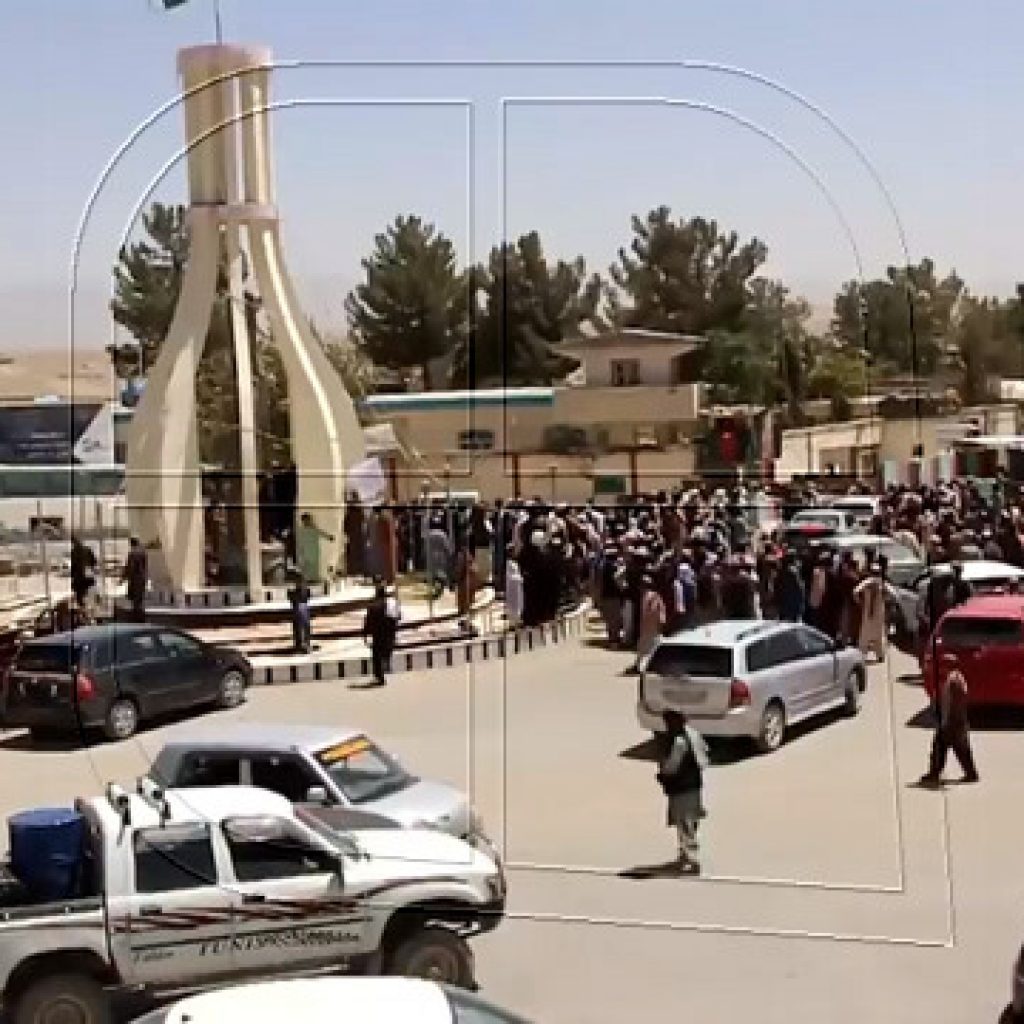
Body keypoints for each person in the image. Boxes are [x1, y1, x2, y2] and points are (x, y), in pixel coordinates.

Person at [657, 709, 709, 875]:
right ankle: (686, 855)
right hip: (694, 785)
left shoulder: (678, 742)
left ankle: (692, 860)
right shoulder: (693, 734)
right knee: (691, 821)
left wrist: (662, 776)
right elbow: (705, 753)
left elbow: (671, 767)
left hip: (682, 787)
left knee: (684, 823)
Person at [919, 668, 979, 786]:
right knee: (960, 749)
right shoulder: (954, 679)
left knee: (940, 747)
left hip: (952, 723)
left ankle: (935, 773)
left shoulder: (954, 682)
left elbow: (954, 705)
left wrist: (947, 722)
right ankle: (971, 773)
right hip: (956, 722)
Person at [362, 583, 400, 686]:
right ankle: (385, 667)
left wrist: (365, 634)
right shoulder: (391, 604)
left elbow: (368, 621)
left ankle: (380, 676)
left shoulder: (373, 606)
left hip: (377, 634)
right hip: (388, 633)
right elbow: (397, 617)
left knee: (376, 655)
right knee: (386, 651)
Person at [853, 563, 887, 661]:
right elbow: (894, 594)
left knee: (865, 634)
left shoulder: (866, 582)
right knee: (879, 634)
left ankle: (862, 655)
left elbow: (855, 592)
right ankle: (880, 655)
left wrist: (860, 602)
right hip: (878, 612)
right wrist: (885, 599)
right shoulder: (882, 584)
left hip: (867, 611)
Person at [297, 513, 334, 585]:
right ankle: (308, 579)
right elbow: (300, 541)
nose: (307, 521)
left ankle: (313, 579)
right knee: (307, 565)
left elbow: (321, 533)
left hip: (314, 550)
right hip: (306, 550)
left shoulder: (314, 528)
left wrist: (329, 537)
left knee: (314, 565)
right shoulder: (301, 530)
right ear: (303, 521)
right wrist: (300, 551)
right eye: (305, 520)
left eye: (308, 520)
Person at [121, 537, 148, 622]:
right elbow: (144, 567)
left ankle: (136, 617)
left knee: (135, 599)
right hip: (141, 578)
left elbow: (130, 568)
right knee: (139, 599)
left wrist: (123, 578)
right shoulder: (143, 553)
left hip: (135, 579)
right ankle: (140, 617)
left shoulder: (132, 554)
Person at [286, 573, 312, 654]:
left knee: (301, 627)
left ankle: (302, 645)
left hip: (300, 609)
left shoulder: (300, 590)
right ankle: (303, 644)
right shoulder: (302, 590)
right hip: (301, 609)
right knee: (302, 627)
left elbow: (292, 598)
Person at [70, 536, 97, 610]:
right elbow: (94, 562)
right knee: (89, 594)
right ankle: (88, 608)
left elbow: (73, 566)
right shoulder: (88, 550)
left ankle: (82, 608)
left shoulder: (73, 552)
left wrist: (72, 576)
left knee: (80, 596)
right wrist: (90, 568)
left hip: (79, 578)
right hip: (88, 576)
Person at [504, 547, 524, 629]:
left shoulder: (515, 563)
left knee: (517, 603)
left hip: (517, 586)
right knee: (513, 605)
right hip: (512, 586)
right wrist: (520, 578)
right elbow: (510, 575)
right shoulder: (508, 563)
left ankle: (517, 621)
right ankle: (512, 623)